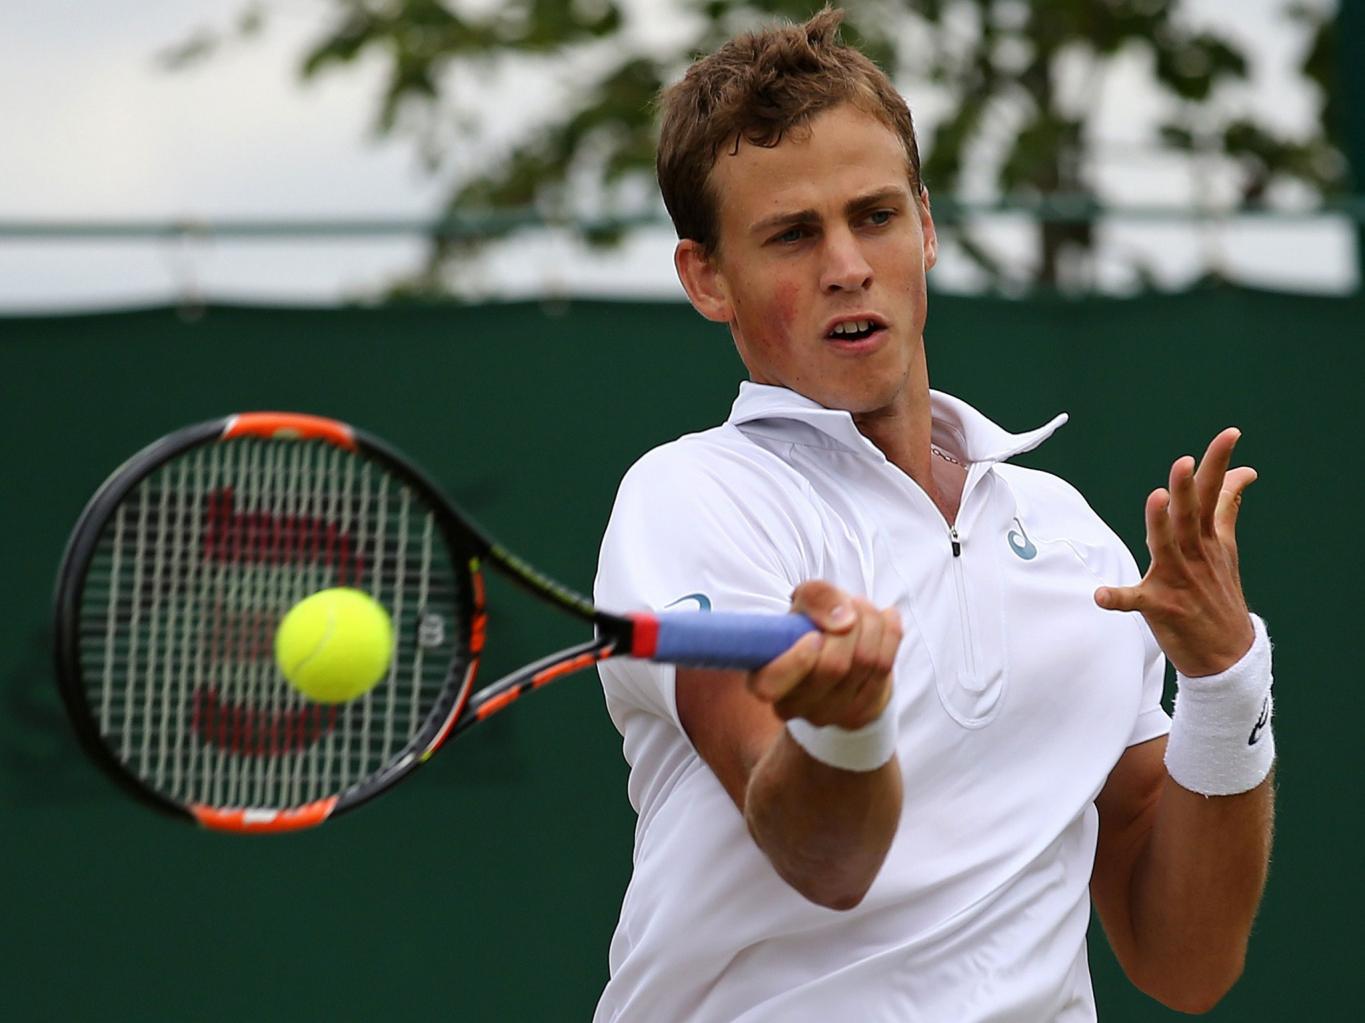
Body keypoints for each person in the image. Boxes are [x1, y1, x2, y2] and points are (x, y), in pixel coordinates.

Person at [593, 8, 1275, 1020]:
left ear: (926, 224)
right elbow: (820, 858)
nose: (846, 265)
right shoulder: (693, 502)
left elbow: (1185, 960)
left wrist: (1223, 678)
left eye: (873, 216)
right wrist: (848, 727)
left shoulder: (1073, 538)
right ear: (707, 279)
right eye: (791, 234)